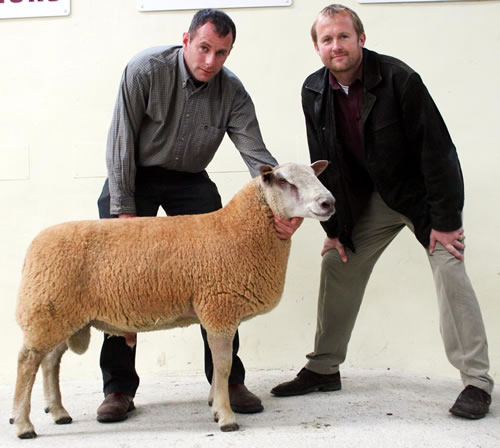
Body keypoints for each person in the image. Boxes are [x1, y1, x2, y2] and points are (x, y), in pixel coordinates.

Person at [271, 4, 493, 419]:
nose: (336, 45)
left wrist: (446, 223)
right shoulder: (313, 91)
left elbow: (439, 152)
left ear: (361, 39)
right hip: (364, 200)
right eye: (327, 39)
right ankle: (323, 368)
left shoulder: (400, 79)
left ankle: (477, 383)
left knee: (450, 266)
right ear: (317, 48)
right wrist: (335, 228)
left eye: (343, 36)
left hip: (417, 197)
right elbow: (325, 163)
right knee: (337, 264)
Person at [96, 8, 301, 423]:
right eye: (204, 48)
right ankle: (118, 388)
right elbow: (119, 141)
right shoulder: (143, 70)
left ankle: (227, 382)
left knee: (223, 278)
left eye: (222, 53)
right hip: (134, 177)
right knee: (117, 278)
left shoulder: (233, 92)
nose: (210, 61)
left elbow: (258, 159)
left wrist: (286, 204)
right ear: (186, 40)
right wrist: (124, 212)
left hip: (190, 180)